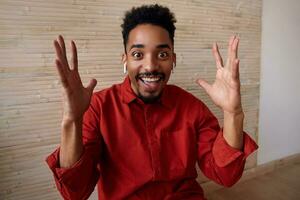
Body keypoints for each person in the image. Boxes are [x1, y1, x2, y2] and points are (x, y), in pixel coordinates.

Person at [46, 4, 258, 200]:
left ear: (173, 60)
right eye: (138, 54)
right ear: (125, 60)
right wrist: (72, 120)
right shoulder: (99, 107)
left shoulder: (191, 107)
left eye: (162, 54)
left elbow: (225, 174)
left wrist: (233, 113)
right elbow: (75, 191)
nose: (150, 65)